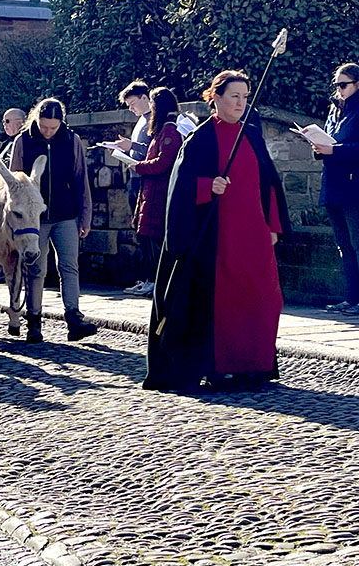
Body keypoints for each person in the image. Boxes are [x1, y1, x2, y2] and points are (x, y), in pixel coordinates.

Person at [145, 70, 291, 391]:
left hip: (255, 236)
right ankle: (222, 366)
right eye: (234, 96)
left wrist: (274, 226)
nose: (240, 103)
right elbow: (179, 189)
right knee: (226, 304)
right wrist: (207, 185)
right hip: (218, 240)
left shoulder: (251, 135)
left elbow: (268, 183)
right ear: (216, 97)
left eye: (244, 97)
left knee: (264, 300)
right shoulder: (200, 139)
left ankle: (255, 366)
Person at [11, 97, 98, 343]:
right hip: (34, 219)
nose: (48, 132)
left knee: (69, 267)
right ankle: (34, 321)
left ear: (61, 123)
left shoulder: (71, 141)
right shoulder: (23, 142)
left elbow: (82, 180)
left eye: (53, 127)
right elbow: (14, 185)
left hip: (66, 214)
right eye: (44, 127)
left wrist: (85, 216)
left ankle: (73, 317)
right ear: (36, 120)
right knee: (36, 269)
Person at [308, 63, 359, 316]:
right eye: (337, 85)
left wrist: (335, 150)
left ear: (358, 84)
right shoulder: (336, 110)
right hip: (333, 184)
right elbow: (332, 142)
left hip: (355, 185)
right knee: (343, 244)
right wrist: (319, 148)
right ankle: (351, 297)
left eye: (343, 85)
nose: (339, 90)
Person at [128, 87, 184, 298]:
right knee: (152, 243)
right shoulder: (164, 130)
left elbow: (163, 163)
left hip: (158, 196)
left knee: (159, 246)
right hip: (152, 195)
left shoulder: (169, 131)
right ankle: (158, 284)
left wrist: (139, 166)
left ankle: (163, 287)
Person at [114, 80, 154, 209]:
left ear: (144, 98)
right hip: (135, 176)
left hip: (147, 177)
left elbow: (155, 149)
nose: (131, 109)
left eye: (132, 104)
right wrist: (119, 150)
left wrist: (131, 146)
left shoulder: (155, 119)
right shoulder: (142, 119)